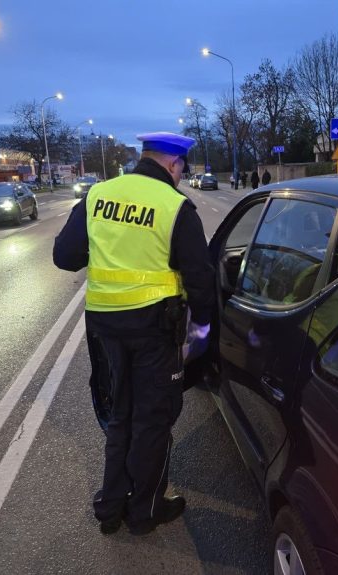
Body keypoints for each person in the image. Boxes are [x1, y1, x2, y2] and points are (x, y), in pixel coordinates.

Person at [53, 131, 215, 536]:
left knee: (119, 414)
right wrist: (203, 327)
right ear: (173, 164)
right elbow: (200, 277)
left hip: (104, 328)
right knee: (152, 419)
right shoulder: (174, 206)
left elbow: (65, 256)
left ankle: (110, 507)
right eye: (181, 169)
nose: (180, 176)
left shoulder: (98, 195)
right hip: (154, 331)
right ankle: (145, 510)